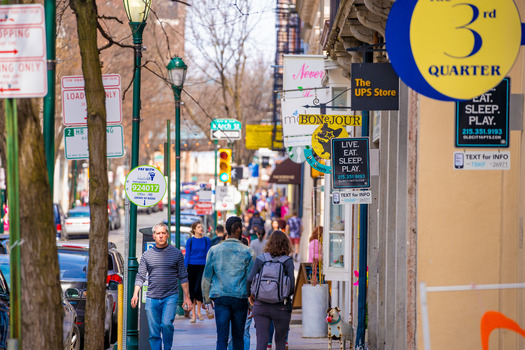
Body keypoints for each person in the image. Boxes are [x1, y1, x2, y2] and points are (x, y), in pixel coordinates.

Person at [131, 223, 193, 350]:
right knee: (154, 333)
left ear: (167, 235)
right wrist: (135, 293)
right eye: (158, 233)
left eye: (163, 233)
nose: (161, 236)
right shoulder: (147, 255)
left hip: (170, 296)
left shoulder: (176, 254)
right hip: (152, 298)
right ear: (153, 236)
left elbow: (183, 276)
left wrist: (187, 297)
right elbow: (140, 276)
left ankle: (167, 348)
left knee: (166, 324)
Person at [202, 216, 256, 350]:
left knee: (222, 337)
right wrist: (251, 302)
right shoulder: (248, 251)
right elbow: (251, 279)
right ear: (238, 229)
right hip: (240, 297)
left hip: (221, 297)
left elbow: (207, 277)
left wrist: (206, 299)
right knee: (238, 336)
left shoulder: (214, 250)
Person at [247, 230, 295, 350]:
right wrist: (282, 295)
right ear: (286, 244)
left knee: (261, 341)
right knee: (280, 341)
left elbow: (249, 280)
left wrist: (250, 295)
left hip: (261, 305)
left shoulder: (261, 259)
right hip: (281, 307)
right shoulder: (287, 261)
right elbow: (292, 287)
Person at [185, 221, 211, 323]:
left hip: (202, 266)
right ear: (194, 230)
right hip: (192, 266)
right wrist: (184, 268)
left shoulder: (206, 240)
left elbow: (209, 255)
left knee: (200, 288)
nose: (201, 228)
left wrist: (209, 267)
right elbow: (187, 255)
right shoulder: (190, 241)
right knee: (192, 289)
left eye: (201, 227)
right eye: (199, 227)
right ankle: (193, 314)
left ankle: (199, 313)